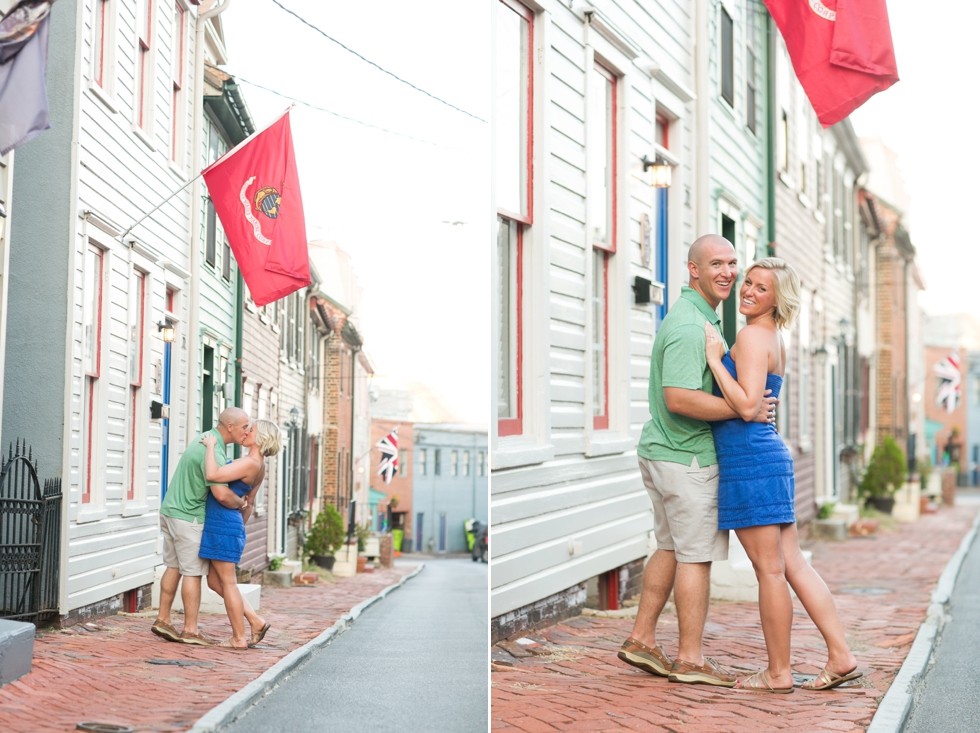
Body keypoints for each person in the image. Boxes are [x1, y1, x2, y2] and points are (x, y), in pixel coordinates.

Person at [619, 235, 777, 687]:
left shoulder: (696, 317)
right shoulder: (692, 326)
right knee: (695, 557)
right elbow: (679, 398)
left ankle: (642, 639)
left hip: (662, 452)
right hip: (686, 457)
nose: (727, 272)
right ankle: (690, 658)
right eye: (715, 264)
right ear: (693, 270)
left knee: (669, 547)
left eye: (732, 263)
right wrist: (744, 407)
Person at [704, 257, 860, 693]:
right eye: (748, 283)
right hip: (767, 457)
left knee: (770, 571)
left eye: (761, 288)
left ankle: (777, 673)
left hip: (751, 459)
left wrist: (716, 361)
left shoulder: (753, 336)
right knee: (793, 566)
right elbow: (759, 405)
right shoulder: (773, 338)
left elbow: (750, 405)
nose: (748, 291)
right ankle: (841, 655)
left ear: (778, 299)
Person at [151, 407, 251, 646]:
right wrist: (241, 503)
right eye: (244, 427)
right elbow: (221, 495)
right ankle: (191, 629)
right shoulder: (214, 451)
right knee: (192, 573)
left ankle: (163, 619)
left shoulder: (203, 439)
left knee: (173, 566)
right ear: (230, 427)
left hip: (170, 511)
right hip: (189, 517)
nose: (247, 432)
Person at [200, 418, 282, 650]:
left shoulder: (250, 462)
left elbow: (213, 475)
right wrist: (239, 527)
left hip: (222, 523)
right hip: (230, 523)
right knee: (216, 582)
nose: (246, 432)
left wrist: (209, 447)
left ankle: (238, 638)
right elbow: (250, 503)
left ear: (261, 437)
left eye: (251, 429)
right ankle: (255, 621)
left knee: (228, 582)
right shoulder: (259, 465)